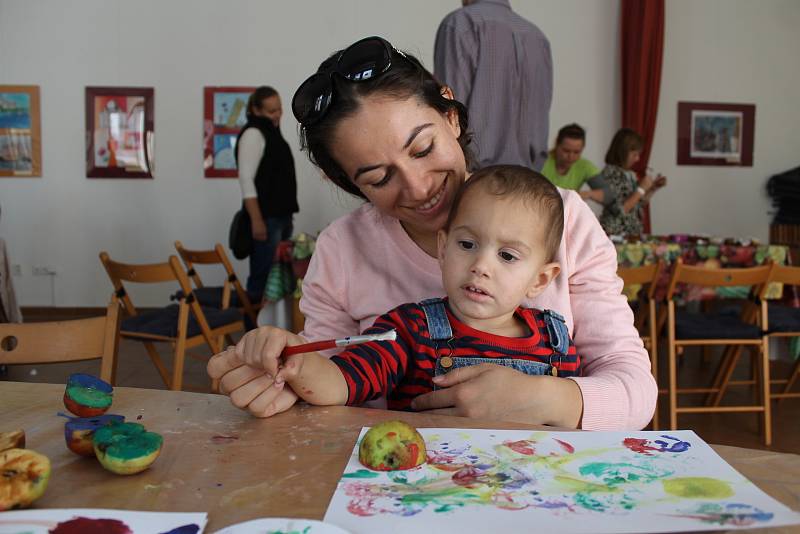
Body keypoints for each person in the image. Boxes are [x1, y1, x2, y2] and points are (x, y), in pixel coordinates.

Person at [208, 36, 656, 430]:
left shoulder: (565, 220)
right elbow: (330, 377)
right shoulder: (343, 249)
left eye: (423, 148)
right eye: (379, 178)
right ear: (348, 183)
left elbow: (635, 389)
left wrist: (544, 397)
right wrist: (285, 377)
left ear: (451, 116)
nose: (420, 188)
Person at [228, 165, 580, 411]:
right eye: (467, 245)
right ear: (443, 248)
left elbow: (575, 423)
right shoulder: (407, 329)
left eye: (507, 255)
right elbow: (344, 381)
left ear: (541, 280)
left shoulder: (556, 340)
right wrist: (297, 363)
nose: (481, 266)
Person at [434, 0, 552, 171]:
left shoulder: (460, 23)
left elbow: (449, 109)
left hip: (475, 179)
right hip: (529, 182)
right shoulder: (538, 37)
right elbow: (543, 108)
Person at [236, 86, 299, 302]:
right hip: (266, 219)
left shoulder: (272, 132)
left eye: (279, 109)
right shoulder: (254, 133)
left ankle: (274, 328)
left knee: (278, 280)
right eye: (271, 111)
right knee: (262, 279)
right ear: (256, 110)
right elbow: (246, 179)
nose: (277, 115)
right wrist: (256, 220)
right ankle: (252, 330)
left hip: (280, 217)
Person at [597, 128, 667, 237]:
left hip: (632, 233)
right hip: (616, 234)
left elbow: (638, 203)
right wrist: (641, 189)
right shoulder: (609, 173)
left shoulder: (630, 173)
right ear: (623, 152)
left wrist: (653, 188)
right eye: (635, 154)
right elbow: (620, 210)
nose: (637, 159)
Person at [541, 123, 611, 206]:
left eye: (576, 152)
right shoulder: (541, 161)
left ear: (583, 148)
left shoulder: (584, 166)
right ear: (557, 144)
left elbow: (609, 195)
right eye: (566, 151)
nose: (571, 156)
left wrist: (588, 194)